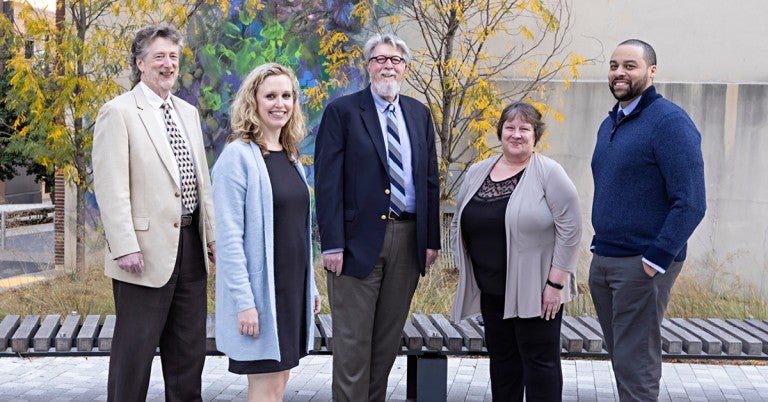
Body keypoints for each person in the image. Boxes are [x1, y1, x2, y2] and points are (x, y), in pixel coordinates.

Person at [92, 24, 216, 402]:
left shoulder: (188, 113)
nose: (168, 64)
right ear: (140, 63)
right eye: (159, 56)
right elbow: (111, 188)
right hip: (142, 254)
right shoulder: (118, 112)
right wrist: (124, 245)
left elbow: (202, 182)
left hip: (191, 246)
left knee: (188, 356)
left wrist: (212, 238)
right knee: (134, 357)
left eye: (173, 57)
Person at [314, 33, 441, 401]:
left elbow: (429, 179)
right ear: (368, 66)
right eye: (380, 59)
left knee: (385, 345)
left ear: (405, 68)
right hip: (356, 244)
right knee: (353, 346)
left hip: (408, 240)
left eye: (396, 60)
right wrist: (332, 244)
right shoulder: (342, 112)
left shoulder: (418, 113)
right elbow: (327, 183)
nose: (388, 66)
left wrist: (430, 240)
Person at [589, 39, 706, 401]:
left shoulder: (669, 122)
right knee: (622, 357)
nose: (619, 73)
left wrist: (656, 258)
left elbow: (691, 202)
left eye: (630, 65)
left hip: (641, 263)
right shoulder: (612, 121)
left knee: (636, 362)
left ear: (652, 72)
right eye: (613, 65)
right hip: (605, 257)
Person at [449, 102, 582, 401]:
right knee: (503, 364)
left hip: (537, 290)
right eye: (510, 127)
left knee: (540, 365)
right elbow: (459, 219)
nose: (516, 134)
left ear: (536, 135)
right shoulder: (478, 171)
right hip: (491, 289)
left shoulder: (549, 173)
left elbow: (571, 229)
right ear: (500, 132)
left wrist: (556, 284)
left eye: (524, 128)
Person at [211, 63, 321, 402]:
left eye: (287, 96)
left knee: (280, 382)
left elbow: (298, 230)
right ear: (253, 101)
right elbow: (228, 240)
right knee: (267, 389)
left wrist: (311, 285)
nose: (280, 104)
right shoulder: (236, 158)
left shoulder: (290, 156)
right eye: (270, 96)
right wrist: (245, 303)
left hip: (291, 290)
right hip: (261, 296)